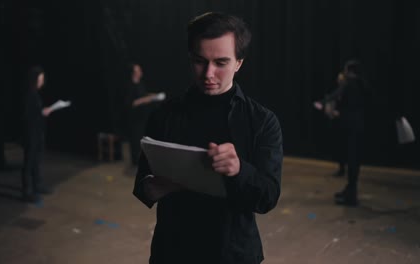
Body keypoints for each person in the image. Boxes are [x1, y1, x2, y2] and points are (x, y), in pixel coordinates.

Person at [133, 12, 283, 264]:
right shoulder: (164, 115)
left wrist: (238, 169)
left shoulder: (262, 121)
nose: (208, 74)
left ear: (239, 63)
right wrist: (153, 187)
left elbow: (268, 197)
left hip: (232, 254)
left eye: (221, 62)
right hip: (173, 251)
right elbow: (142, 185)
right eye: (199, 61)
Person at [314, 59, 371, 206]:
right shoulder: (363, 84)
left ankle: (351, 195)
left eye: (346, 70)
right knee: (354, 160)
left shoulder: (350, 83)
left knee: (352, 160)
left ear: (350, 71)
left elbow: (334, 96)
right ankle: (350, 190)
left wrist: (322, 102)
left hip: (351, 127)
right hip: (360, 126)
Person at [21, 66, 53, 203]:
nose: (41, 82)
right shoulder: (29, 94)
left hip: (37, 133)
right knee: (29, 163)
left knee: (36, 161)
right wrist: (42, 113)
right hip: (30, 134)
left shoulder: (35, 93)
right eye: (40, 79)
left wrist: (43, 111)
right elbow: (28, 116)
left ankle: (37, 185)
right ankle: (27, 191)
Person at [124, 63, 164, 167]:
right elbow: (133, 103)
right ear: (134, 73)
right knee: (135, 138)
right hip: (134, 117)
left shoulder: (140, 83)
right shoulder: (129, 85)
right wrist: (148, 99)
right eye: (139, 70)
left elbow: (143, 95)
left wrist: (154, 95)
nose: (141, 72)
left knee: (142, 137)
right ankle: (135, 161)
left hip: (142, 116)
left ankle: (141, 159)